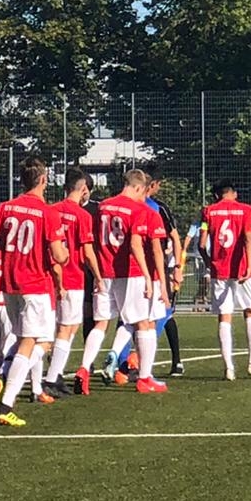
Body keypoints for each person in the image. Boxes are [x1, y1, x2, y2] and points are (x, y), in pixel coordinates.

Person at [0, 158, 69, 425]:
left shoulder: (6, 207)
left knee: (31, 340)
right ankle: (6, 401)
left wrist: (8, 246)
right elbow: (58, 255)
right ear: (43, 180)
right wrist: (64, 255)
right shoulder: (47, 212)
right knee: (32, 342)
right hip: (35, 285)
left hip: (10, 285)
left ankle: (4, 374)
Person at [77, 168, 169, 394]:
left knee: (101, 323)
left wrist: (97, 272)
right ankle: (145, 378)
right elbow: (137, 245)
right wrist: (149, 277)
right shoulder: (139, 210)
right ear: (138, 187)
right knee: (143, 323)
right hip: (130, 273)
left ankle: (84, 368)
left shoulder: (103, 206)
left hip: (105, 272)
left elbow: (94, 240)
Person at [103, 169, 185, 378]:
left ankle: (119, 357)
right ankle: (143, 375)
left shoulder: (106, 205)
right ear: (144, 187)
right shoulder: (149, 210)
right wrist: (160, 280)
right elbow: (154, 249)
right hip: (142, 273)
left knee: (129, 320)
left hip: (111, 271)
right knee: (147, 321)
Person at [201, 181, 251, 379]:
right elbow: (248, 238)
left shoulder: (208, 211)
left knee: (225, 316)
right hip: (241, 270)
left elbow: (202, 244)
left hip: (219, 270)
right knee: (250, 310)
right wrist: (249, 265)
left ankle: (229, 368)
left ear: (217, 195)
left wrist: (209, 262)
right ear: (235, 193)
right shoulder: (246, 210)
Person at [47, 169, 100, 396]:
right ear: (84, 189)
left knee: (63, 327)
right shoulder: (82, 215)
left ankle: (56, 373)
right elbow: (87, 253)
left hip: (50, 276)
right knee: (66, 328)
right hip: (72, 276)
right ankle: (51, 378)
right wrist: (98, 276)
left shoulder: (51, 211)